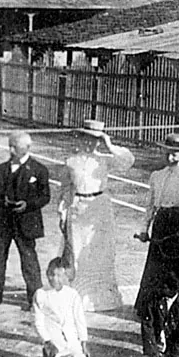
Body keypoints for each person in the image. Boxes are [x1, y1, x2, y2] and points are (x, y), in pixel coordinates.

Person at [56, 119, 134, 311]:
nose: (90, 143)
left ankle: (102, 300)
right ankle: (78, 298)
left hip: (99, 207)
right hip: (78, 207)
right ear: (81, 138)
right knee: (78, 250)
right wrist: (63, 211)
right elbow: (66, 188)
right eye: (87, 139)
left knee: (100, 252)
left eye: (95, 140)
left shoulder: (104, 159)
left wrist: (109, 144)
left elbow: (128, 162)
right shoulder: (71, 161)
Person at [134, 133, 179, 323]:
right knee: (157, 267)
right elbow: (151, 204)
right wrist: (145, 228)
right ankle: (151, 309)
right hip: (161, 223)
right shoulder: (156, 176)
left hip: (178, 224)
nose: (170, 156)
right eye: (168, 152)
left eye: (175, 153)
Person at [0, 131, 51, 311]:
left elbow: (45, 197)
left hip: (25, 222)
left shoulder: (39, 169)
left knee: (29, 260)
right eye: (9, 145)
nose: (10, 149)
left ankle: (34, 298)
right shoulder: (2, 168)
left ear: (27, 148)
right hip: (3, 220)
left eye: (15, 147)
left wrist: (27, 205)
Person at [33, 257, 91, 357]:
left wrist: (83, 341)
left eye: (59, 275)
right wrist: (48, 341)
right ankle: (47, 355)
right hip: (54, 338)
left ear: (66, 277)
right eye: (51, 274)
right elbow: (39, 323)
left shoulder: (73, 295)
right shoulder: (40, 294)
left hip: (71, 336)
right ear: (47, 274)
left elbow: (79, 320)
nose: (54, 279)